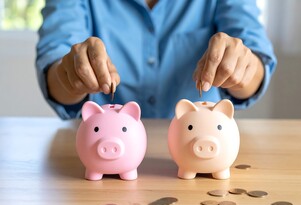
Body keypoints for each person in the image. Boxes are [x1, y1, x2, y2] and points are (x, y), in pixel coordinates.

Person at [36, 0, 276, 120]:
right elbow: (55, 62)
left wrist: (243, 66)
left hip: (199, 144)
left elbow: (255, 60)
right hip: (101, 148)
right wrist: (73, 73)